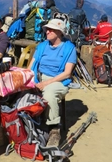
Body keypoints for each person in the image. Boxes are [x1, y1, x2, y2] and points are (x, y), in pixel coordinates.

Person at [28, 19, 77, 147]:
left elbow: (67, 73)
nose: (47, 31)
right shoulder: (43, 46)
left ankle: (54, 130)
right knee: (19, 92)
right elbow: (31, 66)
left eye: (51, 29)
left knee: (49, 95)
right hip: (38, 77)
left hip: (59, 80)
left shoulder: (69, 48)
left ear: (60, 32)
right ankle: (27, 125)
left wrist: (47, 83)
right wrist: (29, 79)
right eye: (47, 29)